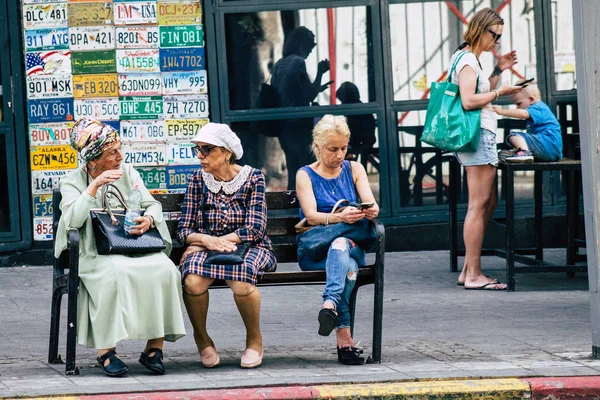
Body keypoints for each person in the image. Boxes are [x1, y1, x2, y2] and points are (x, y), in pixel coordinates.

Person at [54, 118, 186, 377]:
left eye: (119, 149)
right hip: (93, 253)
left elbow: (153, 205)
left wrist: (148, 219)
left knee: (165, 269)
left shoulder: (128, 172)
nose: (120, 156)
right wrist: (94, 187)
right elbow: (72, 221)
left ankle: (154, 348)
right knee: (114, 274)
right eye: (112, 152)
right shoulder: (72, 182)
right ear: (93, 160)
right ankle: (106, 352)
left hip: (133, 246)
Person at [177, 123, 276, 369]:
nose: (200, 156)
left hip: (250, 245)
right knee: (192, 281)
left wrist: (212, 242)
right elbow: (184, 230)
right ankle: (202, 339)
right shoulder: (197, 180)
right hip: (206, 247)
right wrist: (206, 241)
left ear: (226, 152)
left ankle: (254, 340)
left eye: (207, 149)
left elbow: (254, 229)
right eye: (198, 150)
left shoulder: (253, 178)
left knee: (241, 280)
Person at [295, 115, 379, 365]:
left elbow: (371, 202)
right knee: (348, 270)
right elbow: (310, 215)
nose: (340, 155)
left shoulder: (355, 169)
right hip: (316, 252)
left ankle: (330, 304)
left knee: (341, 247)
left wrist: (371, 210)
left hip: (350, 247)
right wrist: (340, 218)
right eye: (333, 149)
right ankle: (344, 339)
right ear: (318, 147)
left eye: (344, 148)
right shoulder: (305, 175)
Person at [452, 8, 523, 290]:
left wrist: (498, 71)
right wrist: (500, 93)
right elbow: (470, 101)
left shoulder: (471, 59)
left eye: (500, 37)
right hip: (478, 133)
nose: (496, 42)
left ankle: (469, 269)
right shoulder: (468, 59)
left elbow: (478, 91)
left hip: (481, 133)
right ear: (480, 29)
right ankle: (473, 274)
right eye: (494, 35)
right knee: (478, 204)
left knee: (486, 203)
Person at [271, 26, 333, 190]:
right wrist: (320, 73)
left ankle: (293, 204)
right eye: (310, 46)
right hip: (298, 124)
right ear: (301, 44)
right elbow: (308, 95)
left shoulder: (280, 64)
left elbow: (291, 92)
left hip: (283, 125)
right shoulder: (298, 63)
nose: (311, 51)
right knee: (307, 169)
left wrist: (316, 87)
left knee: (293, 169)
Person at [492, 83, 562, 163]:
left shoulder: (538, 107)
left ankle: (524, 153)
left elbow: (523, 114)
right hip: (551, 150)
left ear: (531, 99)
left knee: (514, 136)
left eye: (519, 104)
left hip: (547, 144)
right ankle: (520, 152)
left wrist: (502, 111)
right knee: (518, 141)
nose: (517, 108)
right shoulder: (539, 109)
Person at [336, 82, 377, 169]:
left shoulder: (355, 111)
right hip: (364, 141)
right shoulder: (360, 108)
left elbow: (354, 132)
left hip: (361, 142)